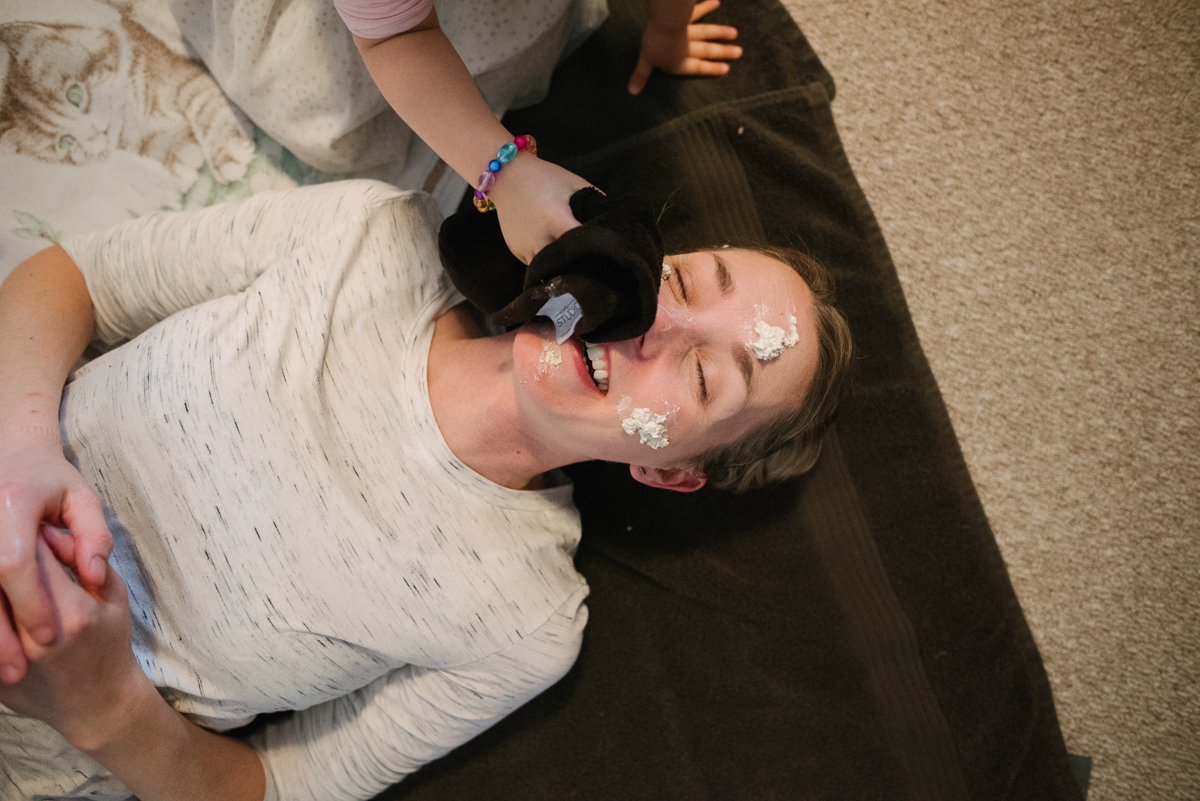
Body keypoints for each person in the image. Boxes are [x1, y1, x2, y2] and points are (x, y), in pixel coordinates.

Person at [0, 178, 850, 800]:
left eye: (704, 376)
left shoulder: (522, 623)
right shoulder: (366, 233)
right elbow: (73, 278)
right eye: (683, 283)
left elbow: (271, 791)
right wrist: (22, 447)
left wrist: (105, 709)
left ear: (669, 470)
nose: (654, 324)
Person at [166, 0, 741, 263]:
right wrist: (505, 172)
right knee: (332, 122)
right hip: (360, 30)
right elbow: (395, 39)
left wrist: (668, 27)